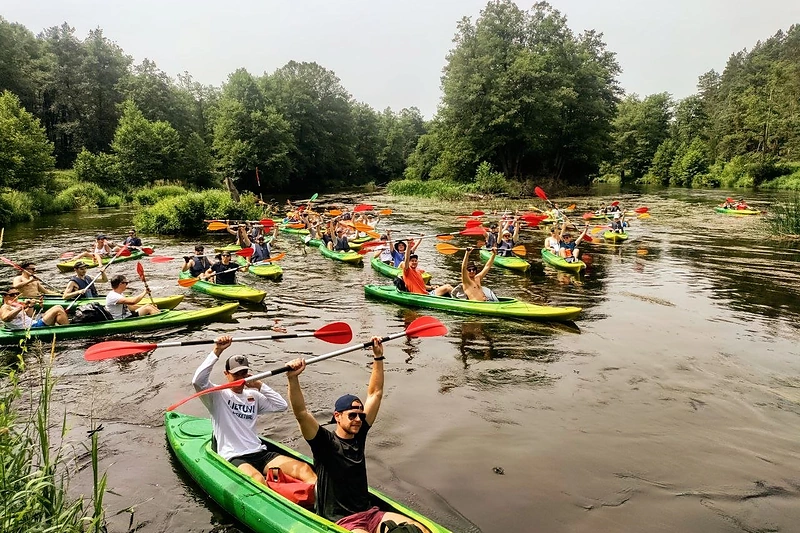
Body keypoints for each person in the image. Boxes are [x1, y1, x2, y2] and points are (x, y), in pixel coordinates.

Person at [285, 339, 430, 533]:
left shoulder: (359, 434)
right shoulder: (324, 442)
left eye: (360, 415)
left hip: (369, 513)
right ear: (337, 416)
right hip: (343, 521)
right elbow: (301, 413)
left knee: (420, 529)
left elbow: (375, 393)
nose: (358, 419)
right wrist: (293, 378)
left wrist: (378, 356)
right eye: (352, 415)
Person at [191, 335, 317, 486]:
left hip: (259, 452)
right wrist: (216, 351)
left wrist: (260, 385)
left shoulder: (253, 396)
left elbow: (281, 405)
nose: (240, 378)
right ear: (226, 374)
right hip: (234, 456)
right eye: (235, 374)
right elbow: (197, 381)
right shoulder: (216, 395)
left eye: (243, 373)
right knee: (258, 481)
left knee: (304, 469)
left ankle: (322, 504)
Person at [1, 289, 68, 329]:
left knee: (58, 307)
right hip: (31, 327)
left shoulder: (14, 305)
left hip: (33, 323)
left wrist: (30, 306)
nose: (15, 296)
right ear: (4, 296)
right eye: (12, 295)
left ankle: (64, 325)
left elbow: (28, 315)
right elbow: (5, 318)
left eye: (17, 294)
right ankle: (67, 329)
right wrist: (21, 307)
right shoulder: (5, 307)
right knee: (58, 310)